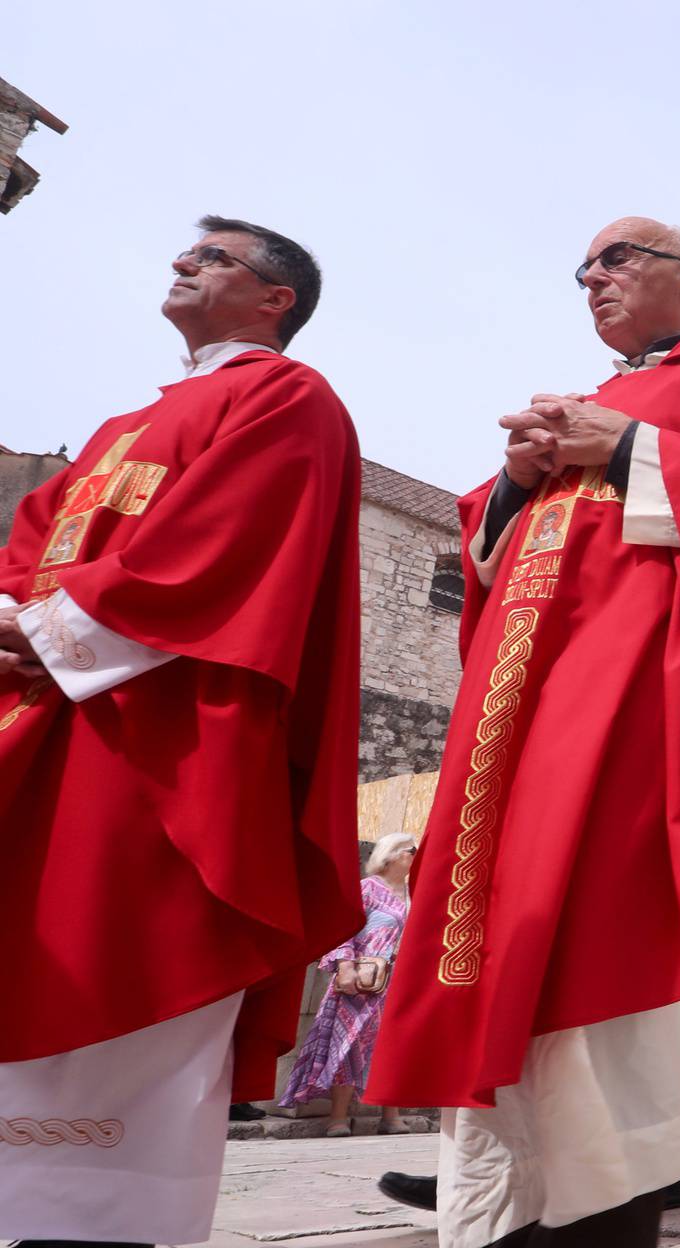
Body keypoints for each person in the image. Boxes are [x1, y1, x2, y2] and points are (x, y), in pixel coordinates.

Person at [366, 218, 680, 1248]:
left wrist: (630, 446)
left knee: (606, 914)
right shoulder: (581, 404)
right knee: (508, 925)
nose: (591, 277)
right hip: (525, 706)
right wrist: (514, 478)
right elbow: (492, 550)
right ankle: (505, 1185)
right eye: (582, 267)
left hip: (649, 702)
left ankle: (609, 1190)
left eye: (616, 258)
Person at [0, 217, 365, 1248]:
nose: (179, 263)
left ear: (273, 300)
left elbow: (222, 549)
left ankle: (97, 1228)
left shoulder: (286, 398)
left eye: (209, 257)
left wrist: (46, 629)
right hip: (57, 732)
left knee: (127, 956)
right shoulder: (122, 427)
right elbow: (34, 549)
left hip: (164, 751)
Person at [279, 832, 417, 1135]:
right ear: (391, 854)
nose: (416, 855)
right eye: (412, 850)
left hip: (398, 983)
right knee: (347, 1043)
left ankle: (390, 1116)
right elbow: (342, 930)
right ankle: (337, 1117)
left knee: (392, 1047)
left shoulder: (413, 895)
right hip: (361, 981)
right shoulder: (367, 889)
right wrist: (344, 966)